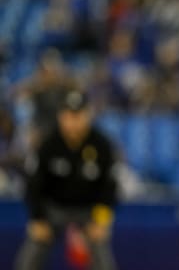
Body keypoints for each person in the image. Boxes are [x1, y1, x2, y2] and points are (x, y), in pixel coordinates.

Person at [15, 89, 118, 270]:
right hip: (53, 208)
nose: (74, 121)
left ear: (88, 115)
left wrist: (101, 220)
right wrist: (37, 218)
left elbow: (110, 186)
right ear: (61, 116)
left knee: (103, 256)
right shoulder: (48, 144)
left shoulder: (101, 145)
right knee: (31, 254)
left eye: (79, 115)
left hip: (88, 210)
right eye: (69, 115)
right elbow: (33, 184)